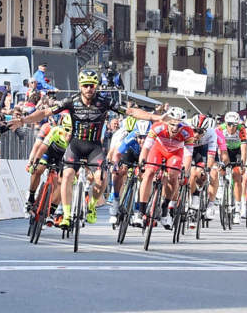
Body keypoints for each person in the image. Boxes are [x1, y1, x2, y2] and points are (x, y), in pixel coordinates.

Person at [10, 69, 160, 228]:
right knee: (67, 175)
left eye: (92, 86)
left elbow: (130, 111)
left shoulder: (104, 101)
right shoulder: (71, 101)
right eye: (86, 85)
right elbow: (45, 112)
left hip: (94, 147)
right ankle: (66, 215)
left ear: (96, 86)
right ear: (80, 86)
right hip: (75, 145)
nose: (89, 89)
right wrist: (23, 121)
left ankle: (91, 206)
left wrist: (154, 117)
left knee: (101, 178)